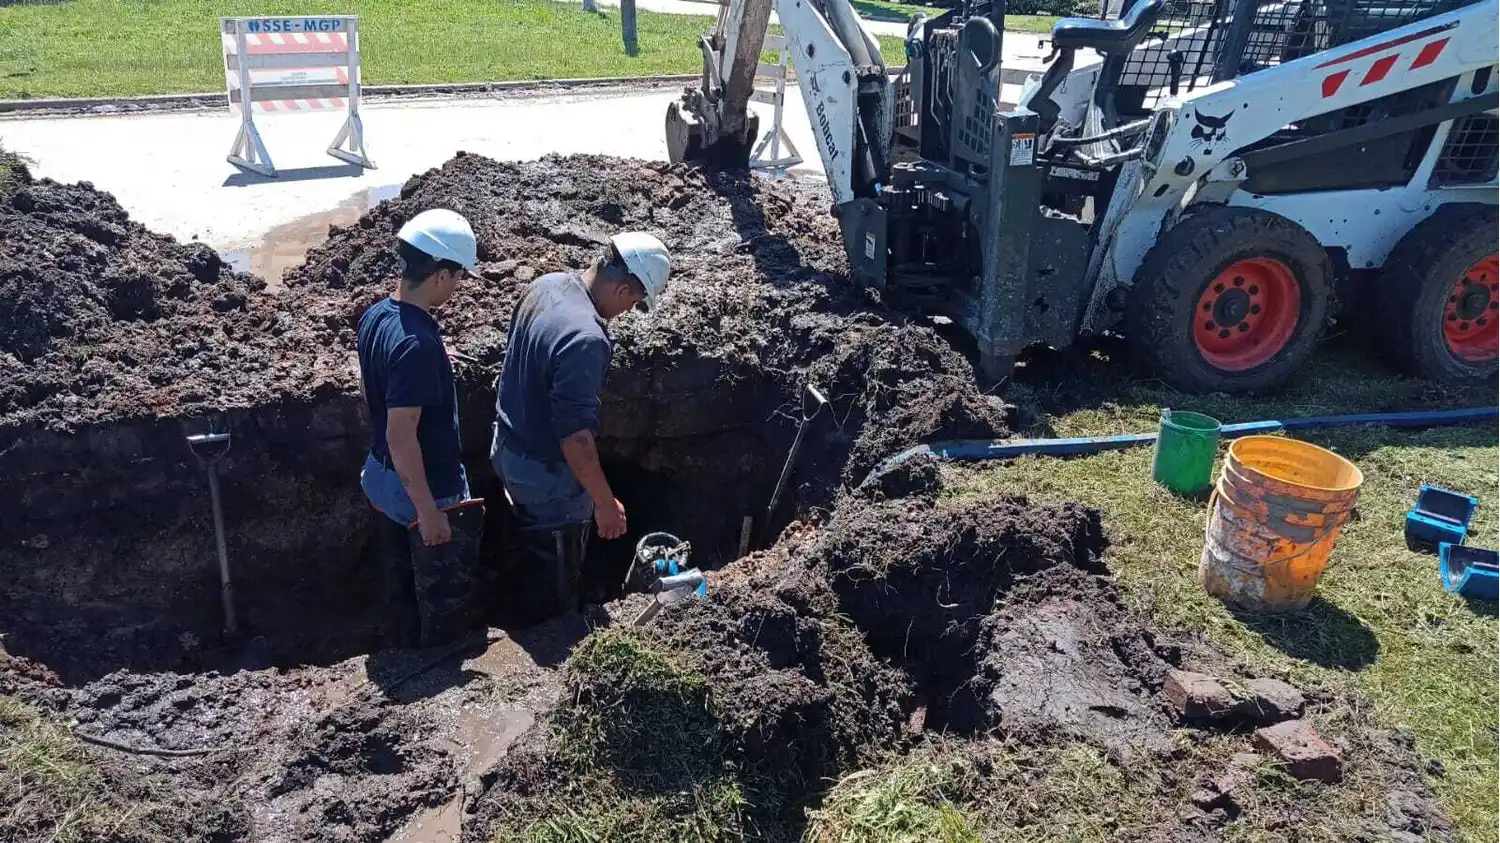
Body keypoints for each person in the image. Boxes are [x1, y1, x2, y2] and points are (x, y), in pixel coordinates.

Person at [491, 232, 670, 614]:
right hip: (545, 474)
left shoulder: (547, 284)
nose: (627, 313)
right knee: (555, 562)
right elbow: (576, 441)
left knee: (528, 536)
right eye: (634, 303)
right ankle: (552, 624)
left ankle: (523, 583)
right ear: (622, 288)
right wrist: (604, 503)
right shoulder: (586, 339)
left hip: (507, 446)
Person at [356, 208, 485, 648]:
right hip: (425, 487)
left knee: (400, 576)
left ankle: (404, 638)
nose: (459, 285)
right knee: (444, 590)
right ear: (440, 276)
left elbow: (380, 387)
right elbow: (401, 434)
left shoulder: (377, 317)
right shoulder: (417, 347)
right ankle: (438, 660)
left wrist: (431, 368)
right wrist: (429, 510)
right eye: (459, 277)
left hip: (381, 475)